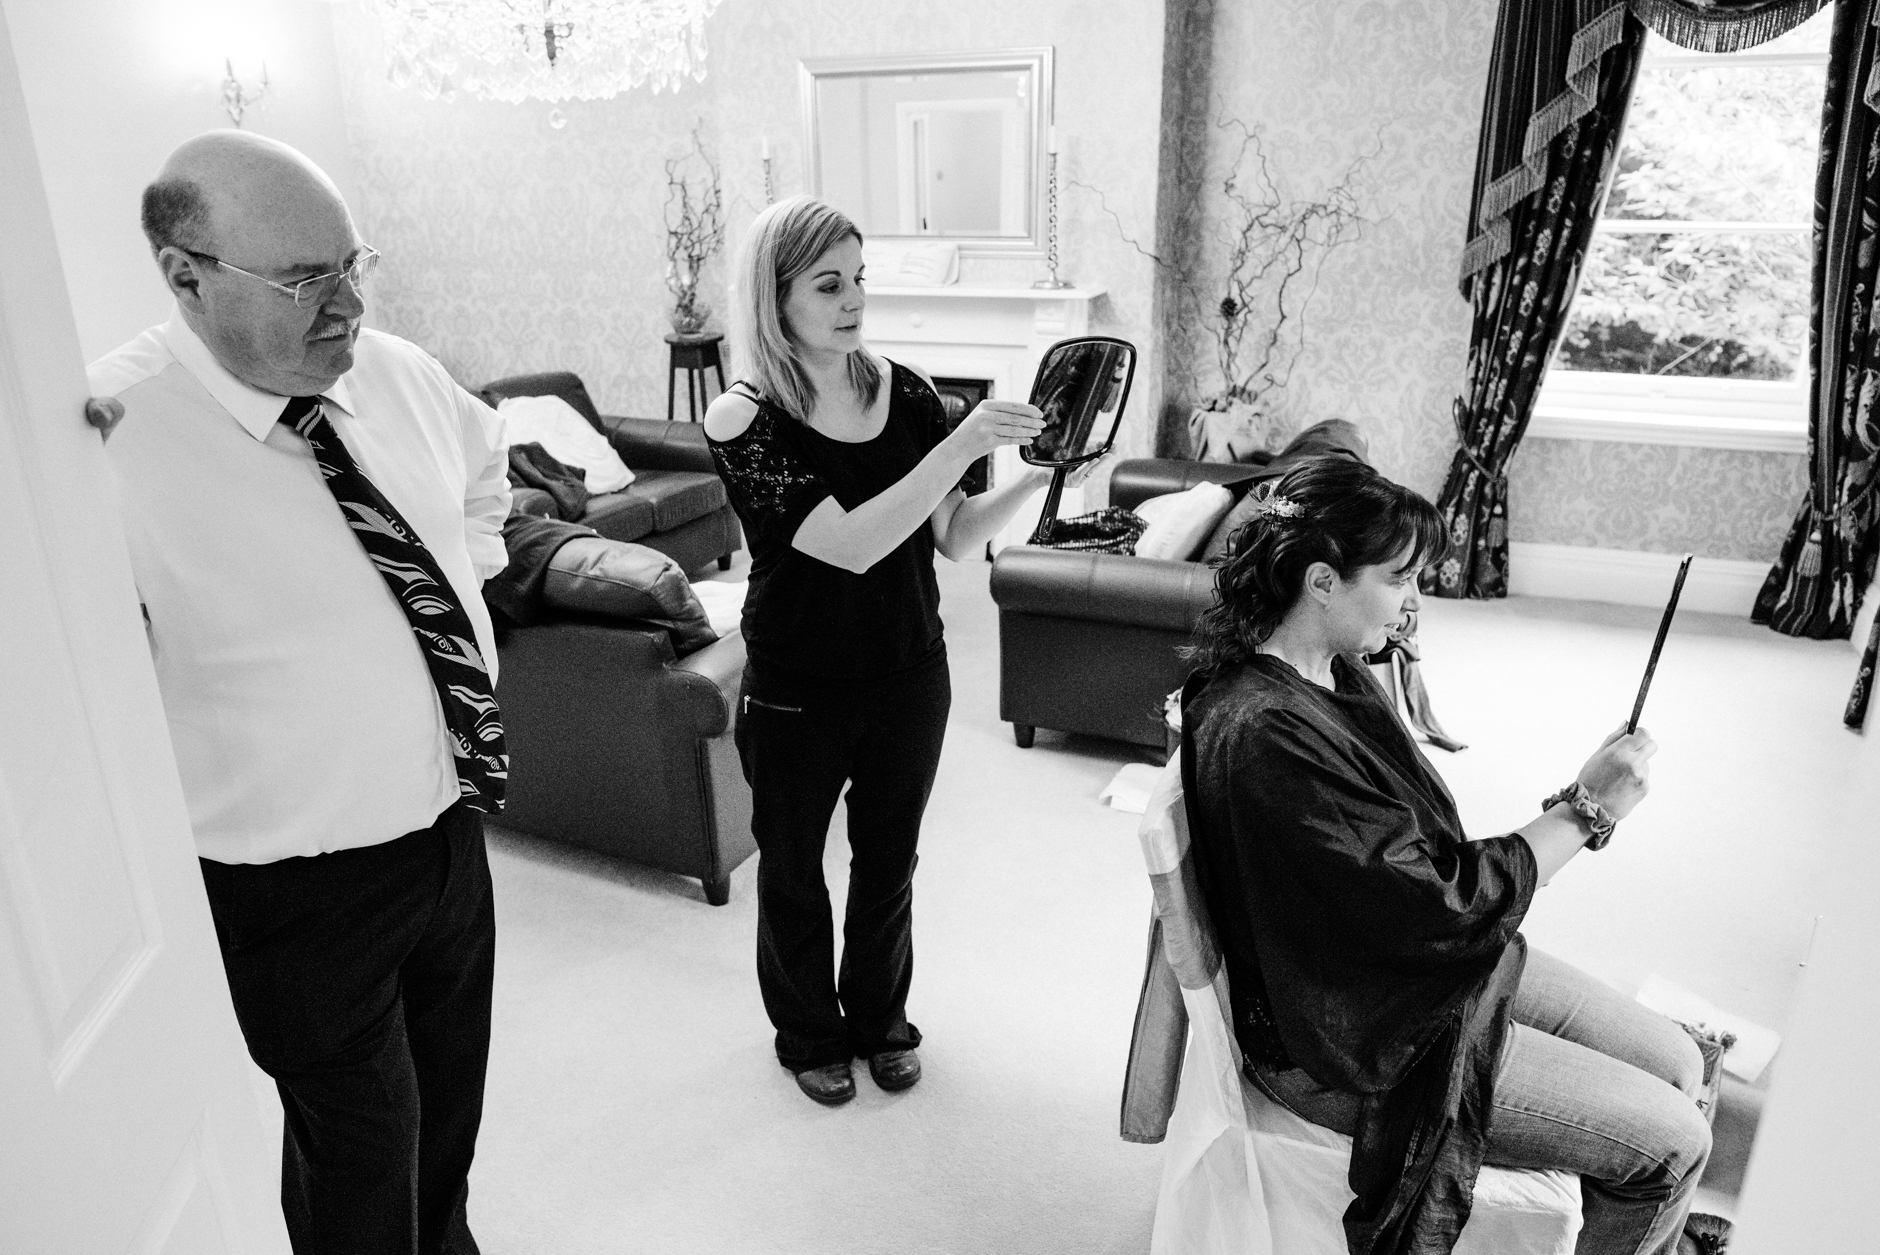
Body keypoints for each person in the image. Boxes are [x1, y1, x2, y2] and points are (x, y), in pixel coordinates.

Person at [86, 130, 509, 1255]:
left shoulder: (402, 374)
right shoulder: (104, 440)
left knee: (447, 1122)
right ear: (185, 276)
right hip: (290, 885)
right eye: (302, 280)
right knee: (362, 1147)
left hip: (449, 835)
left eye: (351, 265)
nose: (346, 306)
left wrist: (462, 596)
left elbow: (484, 478)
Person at [1179, 456, 1714, 1255]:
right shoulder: (1266, 734)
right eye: (1398, 578)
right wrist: (1586, 808)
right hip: (1350, 1037)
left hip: (1392, 974)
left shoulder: (1325, 672)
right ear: (1322, 581)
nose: (1413, 601)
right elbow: (1445, 901)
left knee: (1678, 1060)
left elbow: (1405, 852)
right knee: (1673, 1142)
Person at [704, 196, 1055, 1105]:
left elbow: (951, 533)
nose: (854, 299)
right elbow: (854, 542)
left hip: (908, 671)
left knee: (888, 862)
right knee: (791, 871)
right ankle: (809, 1033)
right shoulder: (744, 421)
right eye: (829, 284)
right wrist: (964, 441)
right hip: (794, 684)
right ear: (774, 299)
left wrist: (1030, 479)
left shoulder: (907, 392)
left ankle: (879, 1020)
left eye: (860, 278)